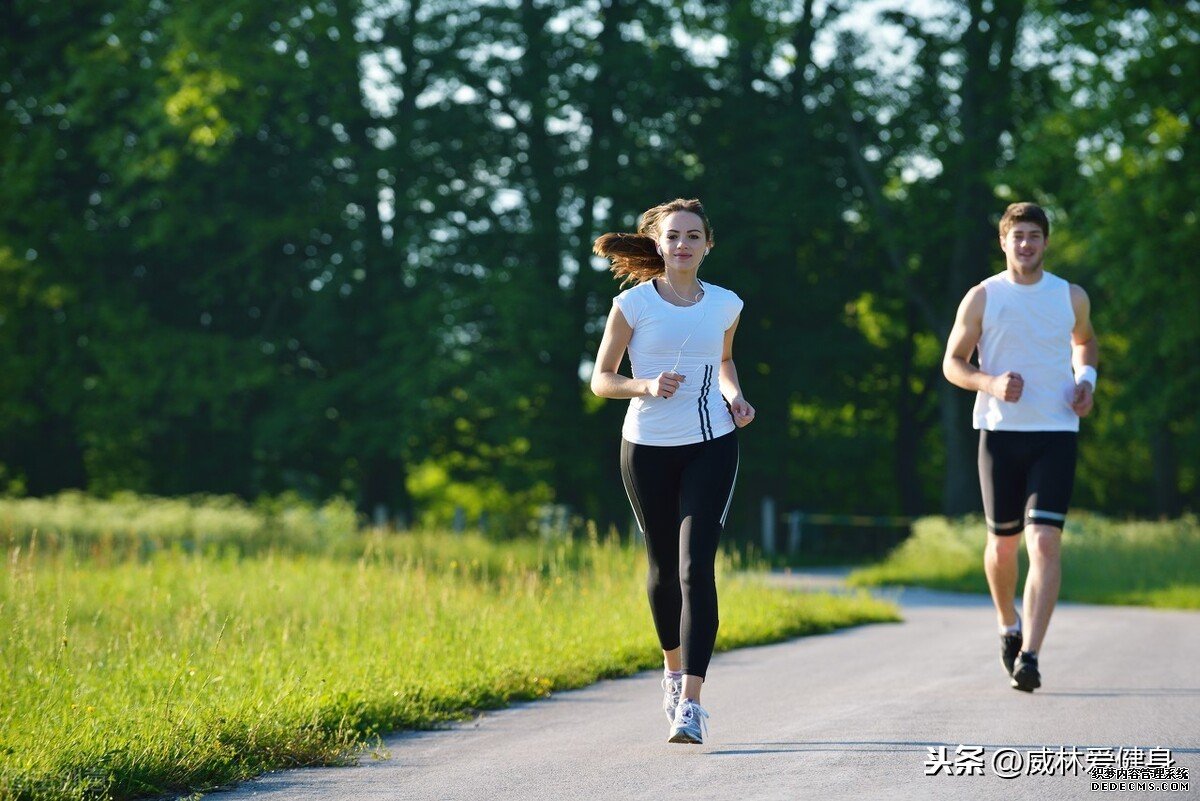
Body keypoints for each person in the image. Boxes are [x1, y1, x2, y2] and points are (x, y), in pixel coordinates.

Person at [590, 198, 755, 743]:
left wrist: (736, 397)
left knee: (694, 569)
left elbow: (724, 361)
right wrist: (645, 385)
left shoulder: (726, 304)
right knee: (663, 567)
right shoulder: (633, 306)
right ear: (658, 245)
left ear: (708, 244)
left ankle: (692, 703)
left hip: (712, 443)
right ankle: (671, 670)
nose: (682, 244)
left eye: (693, 236)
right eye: (673, 236)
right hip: (646, 446)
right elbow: (602, 379)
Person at [942, 202, 1098, 692]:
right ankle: (1007, 624)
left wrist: (1086, 381)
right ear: (1003, 242)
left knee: (1046, 541)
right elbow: (952, 362)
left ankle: (1029, 654)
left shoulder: (1069, 296)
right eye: (1017, 236)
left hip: (1055, 433)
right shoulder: (983, 297)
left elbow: (1085, 342)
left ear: (1045, 242)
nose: (1026, 244)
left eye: (1034, 235)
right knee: (1002, 547)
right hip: (1000, 434)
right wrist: (989, 383)